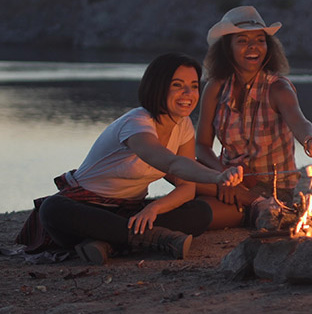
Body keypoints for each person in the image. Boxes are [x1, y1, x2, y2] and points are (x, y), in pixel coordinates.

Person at [22, 53, 244, 265]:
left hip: (128, 210)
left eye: (194, 86)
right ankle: (154, 238)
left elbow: (186, 189)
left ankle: (107, 243)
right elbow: (171, 164)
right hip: (86, 207)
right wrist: (218, 176)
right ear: (158, 86)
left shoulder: (183, 125)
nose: (188, 93)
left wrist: (154, 208)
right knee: (52, 208)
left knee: (199, 213)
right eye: (177, 85)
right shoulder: (137, 124)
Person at [194, 6, 312, 229]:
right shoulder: (215, 87)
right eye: (242, 41)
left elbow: (299, 121)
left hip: (272, 188)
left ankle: (263, 210)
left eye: (260, 40)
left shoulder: (278, 88)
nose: (253, 47)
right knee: (177, 169)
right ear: (227, 48)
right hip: (226, 179)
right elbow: (201, 146)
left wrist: (311, 142)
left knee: (200, 212)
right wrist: (223, 175)